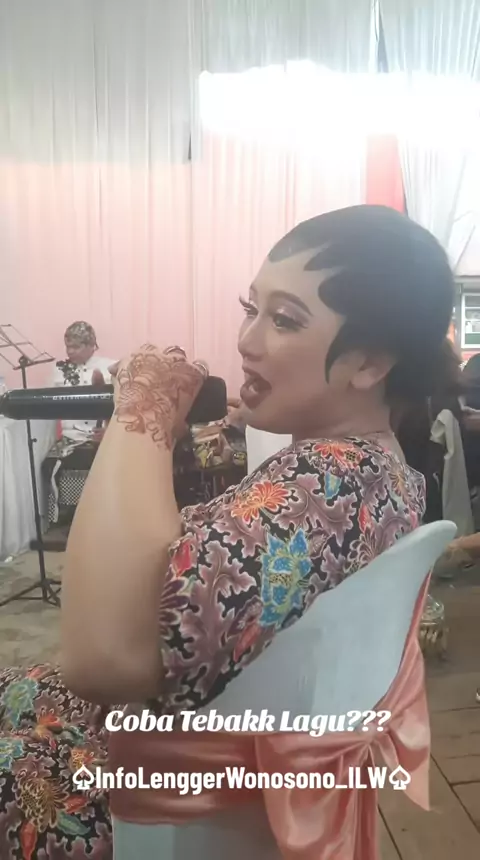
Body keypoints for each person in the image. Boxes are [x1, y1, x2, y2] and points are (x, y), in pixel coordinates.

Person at [0, 205, 455, 858]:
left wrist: (143, 409)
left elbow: (104, 658)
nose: (247, 339)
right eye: (251, 308)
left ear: (369, 362)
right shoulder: (383, 473)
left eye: (284, 319)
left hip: (144, 788)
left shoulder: (325, 484)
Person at [53, 321, 115, 442]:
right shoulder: (59, 370)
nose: (70, 351)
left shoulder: (110, 368)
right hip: (70, 439)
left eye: (76, 347)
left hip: (104, 440)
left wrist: (109, 433)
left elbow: (123, 412)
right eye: (67, 346)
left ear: (91, 346)